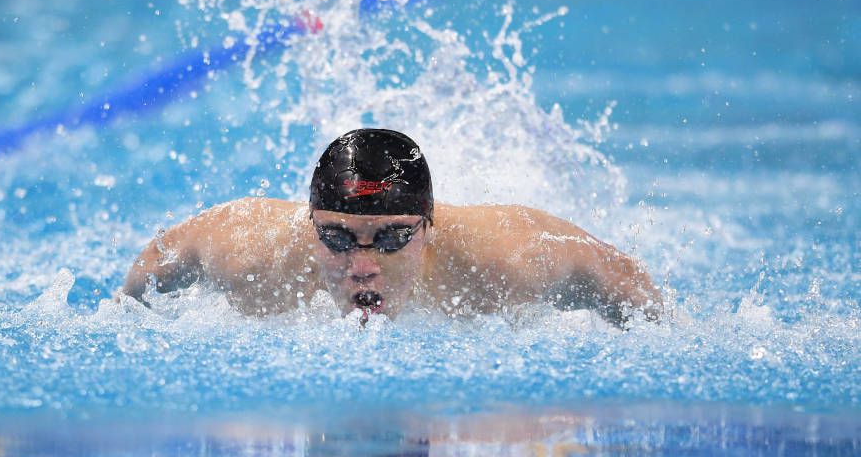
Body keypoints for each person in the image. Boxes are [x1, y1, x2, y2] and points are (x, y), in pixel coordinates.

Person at [121, 128, 661, 326]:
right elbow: (149, 270)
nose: (362, 266)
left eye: (391, 238)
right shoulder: (245, 253)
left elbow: (626, 283)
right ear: (310, 224)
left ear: (429, 225)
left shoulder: (508, 260)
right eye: (335, 237)